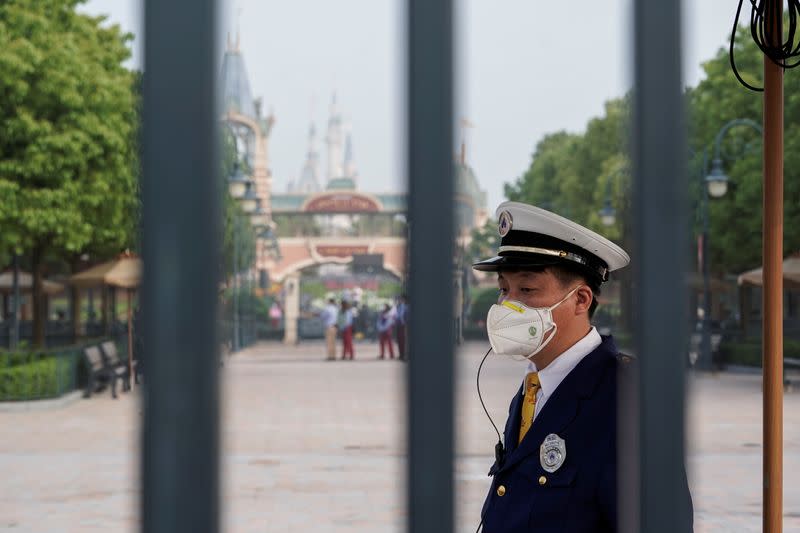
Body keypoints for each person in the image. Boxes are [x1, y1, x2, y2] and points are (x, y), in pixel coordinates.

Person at [472, 201, 693, 532]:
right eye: (504, 289)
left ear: (581, 300)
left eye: (527, 289)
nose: (508, 304)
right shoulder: (534, 388)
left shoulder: (628, 399)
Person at [394, 294, 408, 360]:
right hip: (399, 325)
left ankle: (405, 355)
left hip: (404, 325)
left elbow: (404, 316)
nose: (399, 300)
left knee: (404, 341)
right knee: (399, 341)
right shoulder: (398, 307)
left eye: (400, 299)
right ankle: (401, 355)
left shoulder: (406, 306)